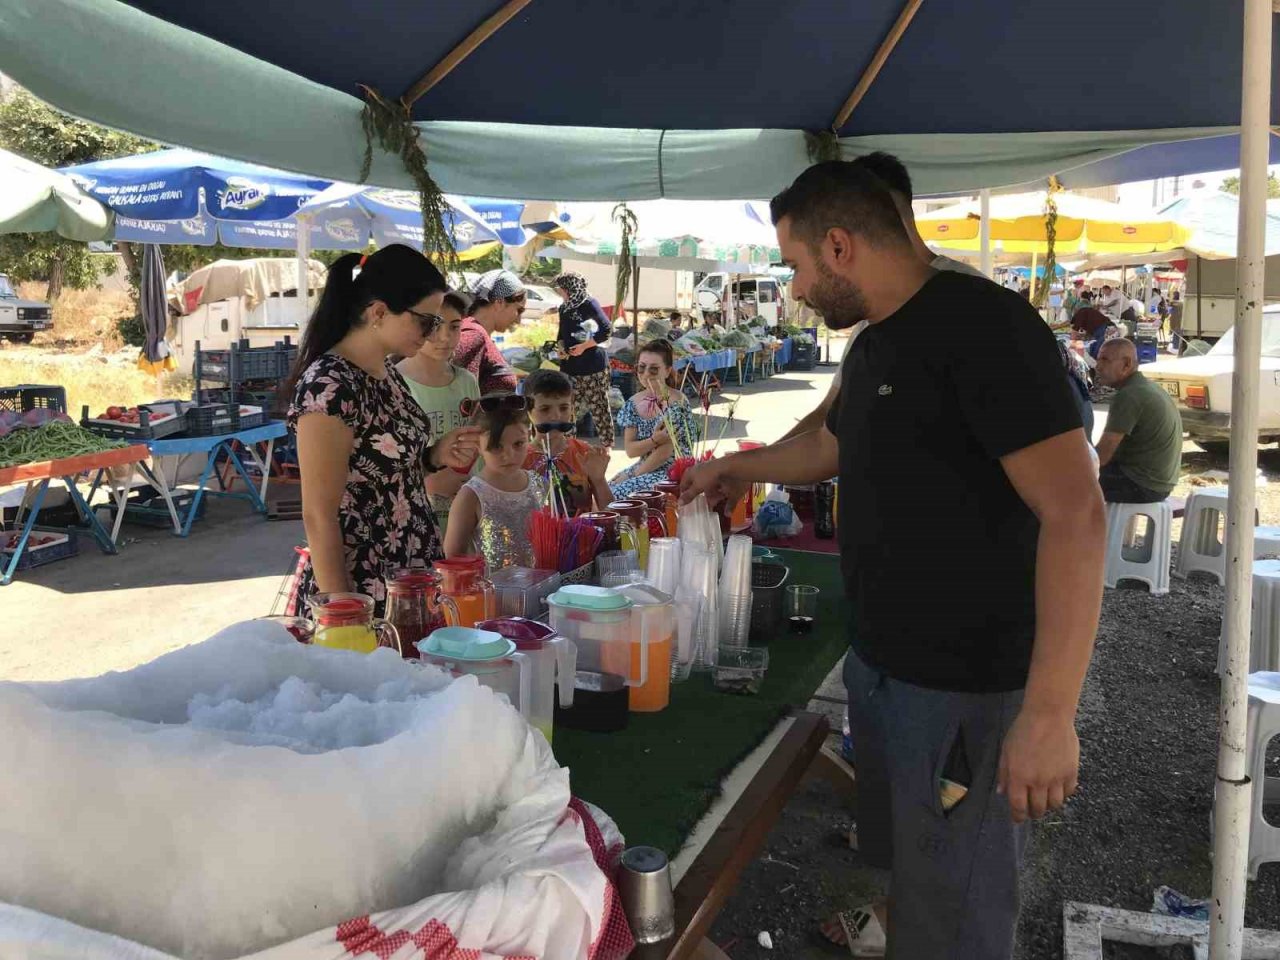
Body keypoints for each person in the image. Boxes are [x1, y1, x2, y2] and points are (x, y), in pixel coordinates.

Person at [680, 161, 1105, 959]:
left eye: (799, 266)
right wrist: (738, 467)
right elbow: (828, 445)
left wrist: (1050, 714)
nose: (797, 288)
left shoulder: (987, 330)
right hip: (883, 668)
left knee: (959, 916)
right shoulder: (878, 342)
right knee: (916, 883)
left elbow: (1078, 513)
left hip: (966, 687)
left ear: (838, 246)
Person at [286, 245, 482, 614]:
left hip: (410, 569)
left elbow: (381, 470)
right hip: (362, 580)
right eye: (426, 321)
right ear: (378, 312)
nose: (432, 334)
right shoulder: (329, 386)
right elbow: (319, 513)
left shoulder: (387, 372)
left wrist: (433, 455)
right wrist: (344, 615)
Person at [777, 150, 989, 444]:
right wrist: (745, 468)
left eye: (796, 267)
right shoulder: (871, 323)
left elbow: (1061, 486)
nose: (795, 291)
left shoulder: (980, 314)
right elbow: (830, 438)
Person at [396, 290, 482, 531]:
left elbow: (477, 442)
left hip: (465, 504)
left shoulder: (467, 380)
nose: (445, 337)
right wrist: (430, 481)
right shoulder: (395, 382)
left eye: (454, 327)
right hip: (417, 512)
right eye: (435, 326)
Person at [444, 397, 546, 570]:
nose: (509, 455)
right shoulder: (471, 496)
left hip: (540, 589)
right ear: (477, 444)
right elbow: (453, 558)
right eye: (496, 447)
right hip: (491, 594)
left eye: (518, 444)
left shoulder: (538, 483)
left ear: (529, 436)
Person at [1094, 338, 1183, 503]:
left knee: (1068, 482)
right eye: (1098, 359)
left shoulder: (1130, 395)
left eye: (1105, 360)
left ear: (1126, 364)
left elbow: (1102, 456)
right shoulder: (1146, 387)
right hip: (1160, 483)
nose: (1098, 366)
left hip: (1143, 484)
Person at [610, 338, 699, 499]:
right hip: (645, 466)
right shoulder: (633, 403)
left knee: (618, 495)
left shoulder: (676, 403)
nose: (646, 375)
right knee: (605, 491)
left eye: (654, 370)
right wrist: (654, 440)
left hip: (674, 470)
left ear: (667, 371)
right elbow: (630, 450)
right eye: (641, 368)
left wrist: (631, 476)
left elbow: (665, 454)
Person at [523, 368, 612, 513]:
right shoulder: (520, 458)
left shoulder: (584, 453)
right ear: (528, 412)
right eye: (545, 409)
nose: (555, 416)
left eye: (564, 408)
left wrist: (599, 479)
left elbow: (609, 511)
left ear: (572, 409)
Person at [553, 272, 614, 448]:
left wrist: (583, 346)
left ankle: (606, 447)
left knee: (599, 407)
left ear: (569, 289)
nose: (560, 293)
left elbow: (606, 330)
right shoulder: (564, 308)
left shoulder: (589, 304)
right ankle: (568, 447)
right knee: (568, 409)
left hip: (593, 368)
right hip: (570, 368)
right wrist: (561, 347)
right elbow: (561, 333)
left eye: (561, 290)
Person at [455, 269, 524, 393]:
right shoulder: (473, 335)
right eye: (519, 310)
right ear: (499, 303)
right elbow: (459, 392)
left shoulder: (477, 332)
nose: (519, 320)